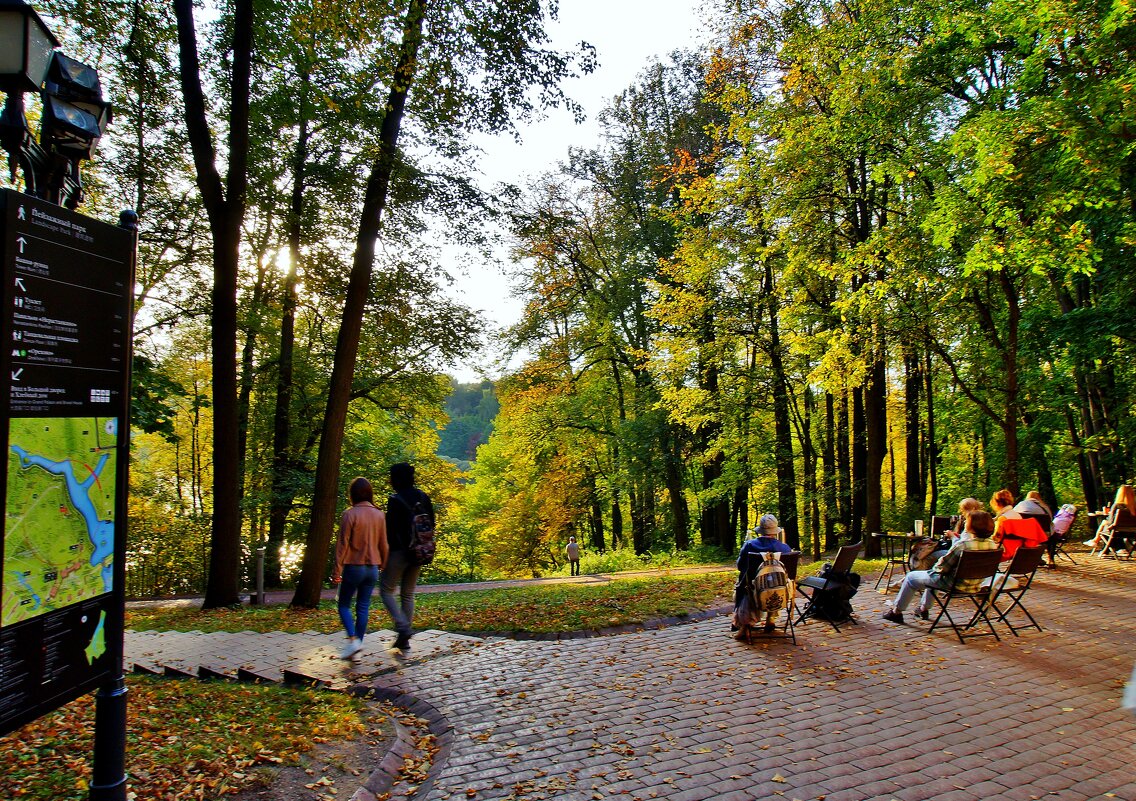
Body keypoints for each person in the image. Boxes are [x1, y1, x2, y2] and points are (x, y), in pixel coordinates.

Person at [882, 511, 999, 624]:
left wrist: (937, 566)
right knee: (931, 576)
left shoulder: (963, 545)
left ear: (973, 526)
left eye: (967, 521)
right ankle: (923, 609)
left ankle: (896, 612)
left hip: (954, 584)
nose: (964, 523)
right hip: (976, 585)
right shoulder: (993, 545)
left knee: (912, 577)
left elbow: (942, 568)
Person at [332, 477, 388, 660]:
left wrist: (337, 570)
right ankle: (357, 647)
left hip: (353, 567)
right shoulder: (380, 515)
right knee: (363, 607)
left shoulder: (350, 514)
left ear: (353, 494)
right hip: (372, 568)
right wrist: (383, 564)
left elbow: (342, 545)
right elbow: (384, 544)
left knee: (343, 605)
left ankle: (353, 641)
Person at [382, 462, 434, 651]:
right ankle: (404, 638)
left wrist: (385, 551)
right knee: (408, 593)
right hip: (420, 550)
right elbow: (432, 523)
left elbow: (390, 529)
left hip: (399, 551)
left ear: (396, 478)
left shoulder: (395, 499)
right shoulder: (423, 496)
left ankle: (403, 628)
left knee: (386, 591)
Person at [734, 514, 793, 636]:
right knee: (774, 583)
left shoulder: (749, 545)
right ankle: (770, 619)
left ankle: (745, 626)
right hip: (780, 588)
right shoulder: (785, 548)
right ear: (775, 531)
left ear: (760, 531)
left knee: (745, 584)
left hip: (753, 586)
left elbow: (740, 567)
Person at [1084, 485, 1136, 555]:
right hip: (1132, 533)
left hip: (1116, 531)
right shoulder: (1134, 507)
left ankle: (1097, 542)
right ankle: (1116, 549)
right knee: (1107, 526)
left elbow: (1111, 522)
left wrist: (1108, 518)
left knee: (1105, 525)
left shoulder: (1117, 505)